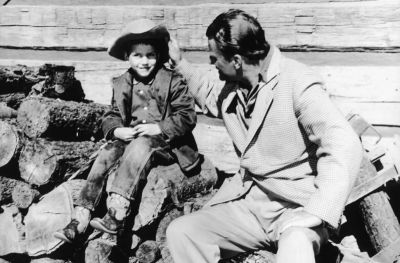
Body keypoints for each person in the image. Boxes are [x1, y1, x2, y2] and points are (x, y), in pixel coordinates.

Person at [166, 9, 363, 263]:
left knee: (295, 245)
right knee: (183, 232)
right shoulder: (235, 87)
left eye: (214, 59)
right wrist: (180, 63)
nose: (211, 64)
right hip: (250, 206)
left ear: (236, 60)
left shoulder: (297, 81)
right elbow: (210, 95)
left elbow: (343, 142)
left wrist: (318, 211)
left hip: (296, 210)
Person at [54, 18, 200, 243]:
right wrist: (116, 131)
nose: (144, 61)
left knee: (142, 144)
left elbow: (187, 116)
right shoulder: (122, 83)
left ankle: (117, 212)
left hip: (167, 143)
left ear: (159, 55)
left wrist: (158, 127)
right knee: (108, 151)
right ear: (127, 57)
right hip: (131, 141)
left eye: (150, 55)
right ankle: (80, 217)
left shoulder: (173, 80)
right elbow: (111, 114)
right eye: (137, 55)